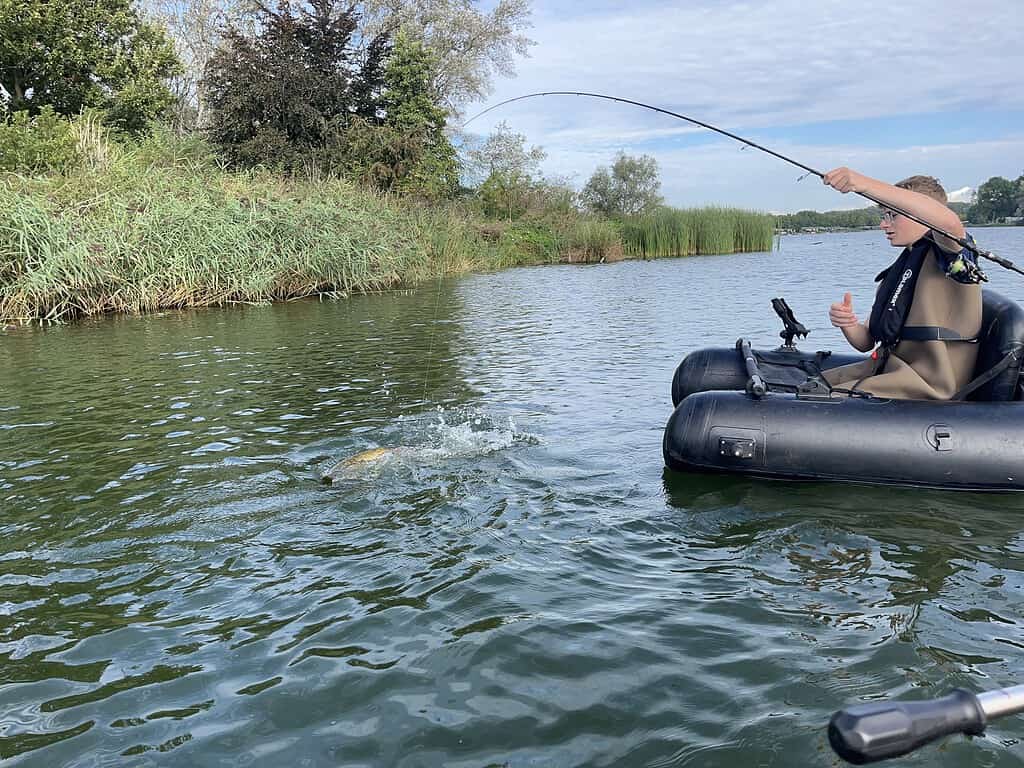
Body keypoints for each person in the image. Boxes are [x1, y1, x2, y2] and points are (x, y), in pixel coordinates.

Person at [819, 167, 985, 400]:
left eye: (893, 215)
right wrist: (848, 323)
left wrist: (861, 183)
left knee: (820, 400)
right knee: (813, 385)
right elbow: (866, 342)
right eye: (884, 215)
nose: (884, 225)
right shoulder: (901, 269)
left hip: (928, 386)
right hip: (889, 373)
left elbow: (947, 221)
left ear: (923, 213)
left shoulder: (950, 252)